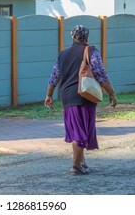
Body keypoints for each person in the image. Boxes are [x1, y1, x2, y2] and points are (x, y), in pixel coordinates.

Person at [44, 25, 117, 176]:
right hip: (85, 95)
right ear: (87, 37)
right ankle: (76, 166)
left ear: (73, 37)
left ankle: (81, 162)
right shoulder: (91, 51)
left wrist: (49, 95)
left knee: (77, 129)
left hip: (67, 97)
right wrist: (111, 93)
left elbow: (54, 76)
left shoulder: (63, 54)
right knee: (80, 131)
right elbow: (100, 74)